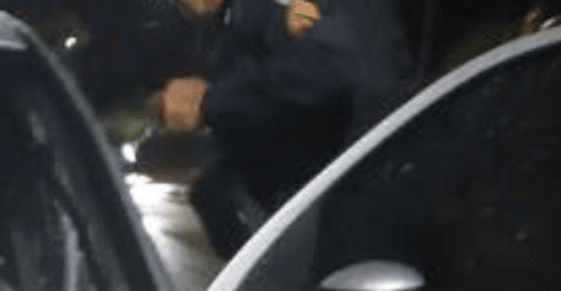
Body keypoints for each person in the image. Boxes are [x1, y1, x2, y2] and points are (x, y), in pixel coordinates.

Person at [144, 0, 410, 256]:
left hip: (363, 193)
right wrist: (219, 189)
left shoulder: (270, 9)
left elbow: (336, 67)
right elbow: (276, 112)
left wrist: (210, 101)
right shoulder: (233, 23)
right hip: (322, 204)